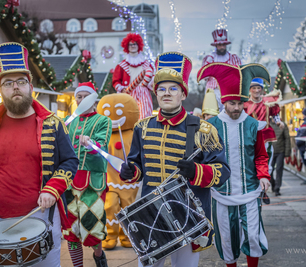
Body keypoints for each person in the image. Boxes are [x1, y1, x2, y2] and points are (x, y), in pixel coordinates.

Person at [0, 42, 79, 267]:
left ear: (30, 86)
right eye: (8, 83)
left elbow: (70, 161)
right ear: (1, 90)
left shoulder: (53, 124)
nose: (15, 87)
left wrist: (52, 189)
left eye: (21, 81)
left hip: (42, 216)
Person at [119, 52, 230, 267]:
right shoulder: (142, 127)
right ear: (156, 94)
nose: (166, 93)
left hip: (188, 214)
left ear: (183, 94)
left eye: (173, 89)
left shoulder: (204, 129)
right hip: (150, 213)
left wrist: (197, 171)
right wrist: (131, 171)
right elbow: (138, 166)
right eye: (161, 89)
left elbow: (223, 171)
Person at [198, 62, 270, 267]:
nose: (237, 108)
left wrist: (264, 176)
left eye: (240, 103)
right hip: (221, 194)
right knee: (227, 239)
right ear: (224, 102)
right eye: (232, 104)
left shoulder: (253, 125)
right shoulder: (211, 127)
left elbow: (260, 156)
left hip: (250, 192)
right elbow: (203, 159)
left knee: (253, 237)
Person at [62, 82, 112, 267]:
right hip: (69, 182)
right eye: (79, 97)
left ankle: (99, 258)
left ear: (94, 100)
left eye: (86, 96)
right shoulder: (68, 121)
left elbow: (102, 144)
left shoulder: (103, 121)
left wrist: (90, 144)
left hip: (93, 182)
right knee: (71, 228)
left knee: (92, 226)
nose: (82, 100)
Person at [97, 93, 140, 250]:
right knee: (110, 205)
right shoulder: (104, 135)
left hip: (128, 182)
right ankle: (110, 235)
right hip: (110, 179)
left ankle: (127, 236)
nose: (113, 117)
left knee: (128, 208)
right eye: (106, 112)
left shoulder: (133, 135)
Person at [244, 78, 283, 202]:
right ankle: (253, 188)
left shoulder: (268, 102)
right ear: (250, 90)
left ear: (262, 89)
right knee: (251, 162)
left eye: (258, 88)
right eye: (253, 88)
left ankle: (263, 190)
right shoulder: (245, 104)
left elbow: (275, 114)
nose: (256, 90)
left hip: (266, 136)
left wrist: (278, 122)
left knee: (267, 163)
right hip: (251, 137)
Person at [112, 33, 154, 119]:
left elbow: (152, 79)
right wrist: (121, 88)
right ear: (126, 47)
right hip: (128, 92)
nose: (132, 46)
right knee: (128, 115)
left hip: (143, 92)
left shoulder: (147, 64)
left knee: (145, 115)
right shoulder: (121, 65)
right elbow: (115, 81)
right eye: (130, 44)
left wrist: (151, 84)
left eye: (134, 44)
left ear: (139, 46)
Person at [202, 29, 242, 112]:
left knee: (228, 115)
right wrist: (209, 61)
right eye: (219, 45)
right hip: (213, 92)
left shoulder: (234, 58)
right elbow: (204, 76)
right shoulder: (209, 59)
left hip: (229, 92)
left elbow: (240, 75)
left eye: (223, 44)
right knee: (212, 115)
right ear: (216, 46)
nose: (222, 47)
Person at [270, 119, 291, 196]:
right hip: (270, 152)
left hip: (280, 151)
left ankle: (277, 188)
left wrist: (287, 152)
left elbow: (287, 138)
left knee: (279, 170)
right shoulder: (267, 124)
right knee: (269, 170)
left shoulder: (283, 125)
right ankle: (273, 183)